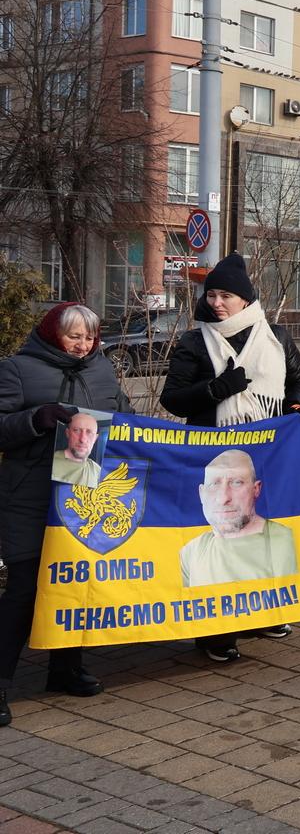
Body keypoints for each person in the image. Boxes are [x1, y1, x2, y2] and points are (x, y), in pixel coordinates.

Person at [160, 252, 300, 661]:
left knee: (262, 538)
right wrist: (216, 389)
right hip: (214, 452)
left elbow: (297, 381)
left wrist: (296, 408)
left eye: (225, 295)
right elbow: (172, 398)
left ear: (245, 299)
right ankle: (216, 632)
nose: (216, 303)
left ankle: (263, 613)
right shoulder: (196, 341)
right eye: (211, 295)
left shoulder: (275, 337)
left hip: (265, 452)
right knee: (224, 542)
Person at [0, 303, 132, 726]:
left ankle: (64, 668)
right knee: (24, 588)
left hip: (82, 498)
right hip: (30, 496)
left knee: (75, 583)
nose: (84, 344)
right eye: (74, 336)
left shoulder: (102, 370)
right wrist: (35, 419)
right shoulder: (16, 369)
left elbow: (127, 419)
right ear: (53, 334)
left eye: (90, 337)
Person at [179, 450, 298, 587]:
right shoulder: (189, 554)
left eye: (236, 483)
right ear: (201, 494)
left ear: (256, 489)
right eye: (214, 484)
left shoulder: (289, 543)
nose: (224, 498)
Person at [51, 411, 102, 487]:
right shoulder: (52, 463)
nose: (83, 439)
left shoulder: (98, 471)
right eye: (76, 430)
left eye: (89, 432)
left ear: (95, 438)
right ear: (68, 433)